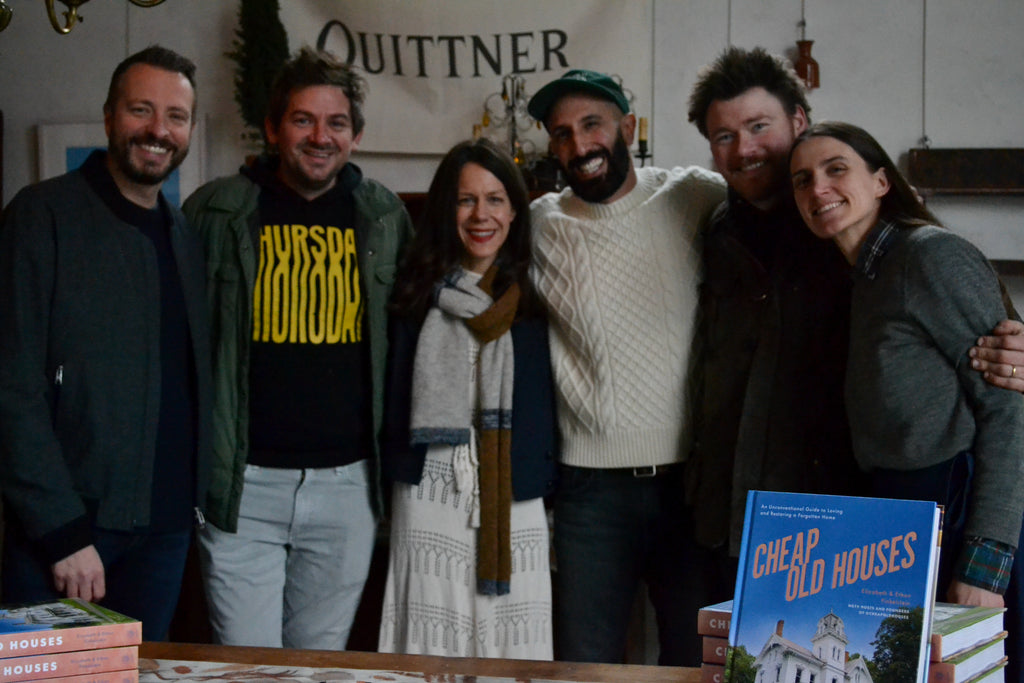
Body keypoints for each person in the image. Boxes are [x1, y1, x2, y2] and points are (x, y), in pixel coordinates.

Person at [182, 47, 413, 650]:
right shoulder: (215, 211)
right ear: (273, 128)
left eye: (336, 123)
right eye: (303, 120)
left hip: (347, 488)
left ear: (356, 136)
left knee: (319, 665)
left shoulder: (385, 218)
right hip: (242, 484)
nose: (320, 136)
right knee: (247, 665)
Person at [790, 120, 1024, 675]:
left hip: (964, 510)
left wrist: (986, 568)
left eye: (836, 169)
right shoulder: (862, 278)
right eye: (801, 179)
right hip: (904, 518)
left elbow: (1010, 405)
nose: (817, 188)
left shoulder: (928, 256)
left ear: (881, 182)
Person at [0, 45, 211, 641]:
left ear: (189, 130)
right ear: (109, 116)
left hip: (164, 536)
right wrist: (61, 531)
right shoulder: (43, 216)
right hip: (64, 539)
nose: (158, 130)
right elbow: (10, 386)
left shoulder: (184, 238)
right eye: (141, 110)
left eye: (175, 116)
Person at [526, 69, 726, 665]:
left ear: (628, 129)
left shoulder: (695, 194)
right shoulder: (539, 223)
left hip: (690, 485)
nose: (579, 145)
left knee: (695, 662)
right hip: (590, 492)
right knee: (586, 664)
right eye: (561, 134)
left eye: (592, 125)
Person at [684, 46, 864, 598]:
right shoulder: (713, 231)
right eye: (724, 137)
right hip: (721, 519)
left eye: (759, 126)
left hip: (831, 521)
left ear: (798, 120)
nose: (745, 150)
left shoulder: (853, 221)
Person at [377, 138, 557, 659]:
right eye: (466, 200)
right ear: (445, 209)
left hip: (512, 489)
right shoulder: (414, 292)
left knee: (510, 644)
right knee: (433, 643)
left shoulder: (535, 296)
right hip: (430, 487)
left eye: (496, 199)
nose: (482, 215)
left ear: (515, 210)